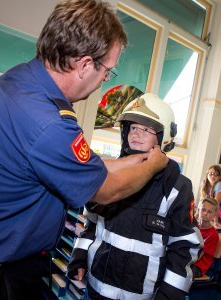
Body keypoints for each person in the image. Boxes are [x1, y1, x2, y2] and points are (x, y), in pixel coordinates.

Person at [0, 1, 168, 299]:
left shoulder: (20, 79)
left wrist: (131, 161)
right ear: (86, 64)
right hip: (10, 264)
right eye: (108, 71)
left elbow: (78, 163)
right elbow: (105, 190)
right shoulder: (50, 124)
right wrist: (153, 165)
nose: (105, 79)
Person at [67, 93, 202, 300]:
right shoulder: (111, 174)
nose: (136, 134)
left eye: (146, 129)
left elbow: (185, 246)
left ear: (163, 138)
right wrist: (79, 256)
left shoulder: (178, 187)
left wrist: (169, 294)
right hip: (95, 290)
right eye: (133, 128)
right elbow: (91, 224)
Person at [191, 197, 220, 278]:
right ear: (198, 210)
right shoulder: (193, 226)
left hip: (197, 267)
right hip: (188, 259)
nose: (205, 213)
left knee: (175, 268)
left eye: (209, 212)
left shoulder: (213, 235)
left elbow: (197, 257)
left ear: (214, 215)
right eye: (203, 209)